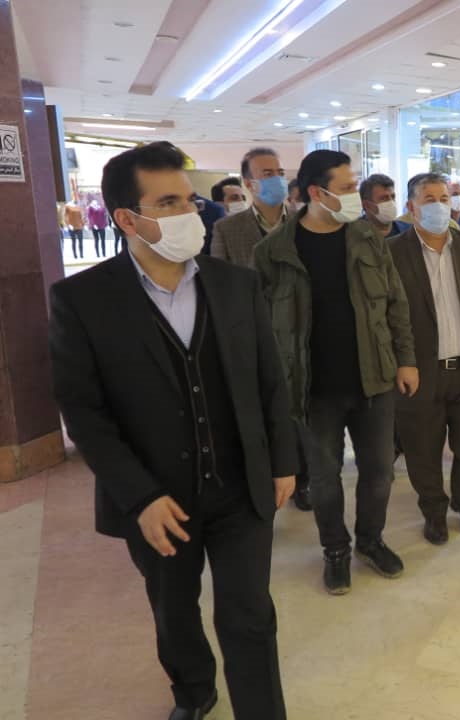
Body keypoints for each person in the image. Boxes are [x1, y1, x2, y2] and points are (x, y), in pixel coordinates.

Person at [48, 141, 297, 720]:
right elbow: (84, 411)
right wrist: (139, 496)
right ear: (126, 218)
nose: (190, 213)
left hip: (240, 487)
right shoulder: (83, 300)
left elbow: (270, 380)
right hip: (158, 497)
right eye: (168, 203)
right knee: (173, 610)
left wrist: (283, 459)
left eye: (189, 199)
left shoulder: (235, 285)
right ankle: (194, 690)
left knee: (250, 615)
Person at [254, 149, 417, 595]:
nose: (354, 196)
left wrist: (406, 359)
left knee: (379, 472)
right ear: (316, 192)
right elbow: (259, 327)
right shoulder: (273, 252)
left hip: (374, 378)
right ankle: (335, 550)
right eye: (345, 188)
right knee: (325, 480)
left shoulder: (367, 238)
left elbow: (396, 304)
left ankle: (371, 540)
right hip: (313, 388)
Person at [389, 172, 460, 546]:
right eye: (429, 199)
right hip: (419, 372)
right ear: (411, 207)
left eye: (445, 198)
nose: (439, 205)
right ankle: (433, 511)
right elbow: (386, 313)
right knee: (422, 450)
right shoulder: (392, 252)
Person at [212, 148, 290, 268]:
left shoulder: (304, 219)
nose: (278, 180)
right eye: (268, 174)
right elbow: (219, 274)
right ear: (249, 184)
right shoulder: (225, 229)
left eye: (281, 173)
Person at [360, 173, 411, 238]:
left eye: (393, 197)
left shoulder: (409, 231)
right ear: (366, 205)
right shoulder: (352, 234)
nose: (391, 202)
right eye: (384, 198)